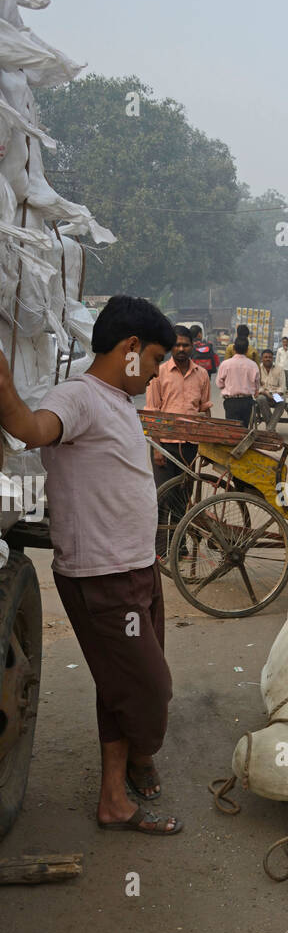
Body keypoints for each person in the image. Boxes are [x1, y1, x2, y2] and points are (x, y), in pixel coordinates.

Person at [0, 295, 182, 833]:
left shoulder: (118, 399)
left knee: (116, 684)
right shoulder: (77, 397)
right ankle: (141, 756)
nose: (153, 374)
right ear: (130, 348)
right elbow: (33, 430)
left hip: (137, 569)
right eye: (152, 361)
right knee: (151, 693)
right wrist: (5, 387)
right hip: (103, 579)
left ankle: (113, 800)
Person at [145, 323, 212, 540]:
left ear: (193, 345)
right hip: (163, 446)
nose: (181, 349)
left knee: (183, 498)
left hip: (190, 447)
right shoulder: (159, 373)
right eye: (176, 345)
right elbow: (152, 412)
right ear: (170, 347)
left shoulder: (202, 375)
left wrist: (208, 445)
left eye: (185, 345)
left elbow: (204, 411)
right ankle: (160, 549)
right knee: (163, 498)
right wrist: (156, 448)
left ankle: (178, 546)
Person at [216, 337, 259, 425]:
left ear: (234, 348)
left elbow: (219, 384)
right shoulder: (253, 365)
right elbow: (256, 385)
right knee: (244, 429)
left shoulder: (225, 364)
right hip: (247, 401)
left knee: (232, 429)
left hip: (231, 402)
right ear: (247, 350)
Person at [254, 348, 287, 431]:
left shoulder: (279, 369)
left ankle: (269, 428)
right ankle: (271, 428)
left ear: (273, 358)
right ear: (262, 359)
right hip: (263, 394)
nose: (268, 359)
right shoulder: (257, 369)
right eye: (265, 357)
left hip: (276, 394)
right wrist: (265, 393)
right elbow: (255, 385)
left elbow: (282, 386)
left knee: (281, 402)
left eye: (270, 357)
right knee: (261, 399)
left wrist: (276, 395)